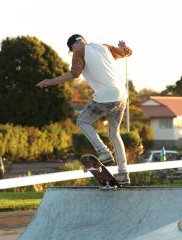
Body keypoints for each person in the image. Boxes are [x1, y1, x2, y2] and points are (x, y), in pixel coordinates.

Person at [36, 34, 132, 185]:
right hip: (122, 96)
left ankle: (103, 151)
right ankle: (123, 173)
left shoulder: (78, 51)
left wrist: (51, 81)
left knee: (82, 121)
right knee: (114, 134)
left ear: (73, 46)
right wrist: (123, 47)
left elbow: (75, 73)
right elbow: (127, 52)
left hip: (106, 96)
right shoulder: (104, 46)